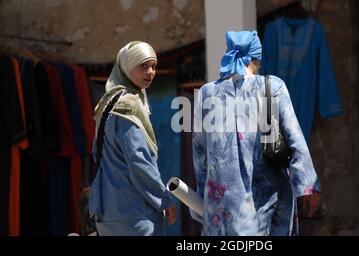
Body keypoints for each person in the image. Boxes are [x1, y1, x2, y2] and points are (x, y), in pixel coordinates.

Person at [191, 31, 320, 236]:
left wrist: (201, 196)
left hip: (222, 205)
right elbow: (294, 138)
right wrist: (307, 188)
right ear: (256, 58)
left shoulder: (206, 93)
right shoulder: (273, 86)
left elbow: (200, 153)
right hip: (267, 202)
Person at [88, 41, 176, 236]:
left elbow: (97, 152)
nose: (150, 72)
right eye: (143, 65)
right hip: (134, 213)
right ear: (127, 67)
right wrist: (164, 198)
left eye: (153, 66)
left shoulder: (107, 103)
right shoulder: (128, 106)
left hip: (107, 211)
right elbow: (139, 161)